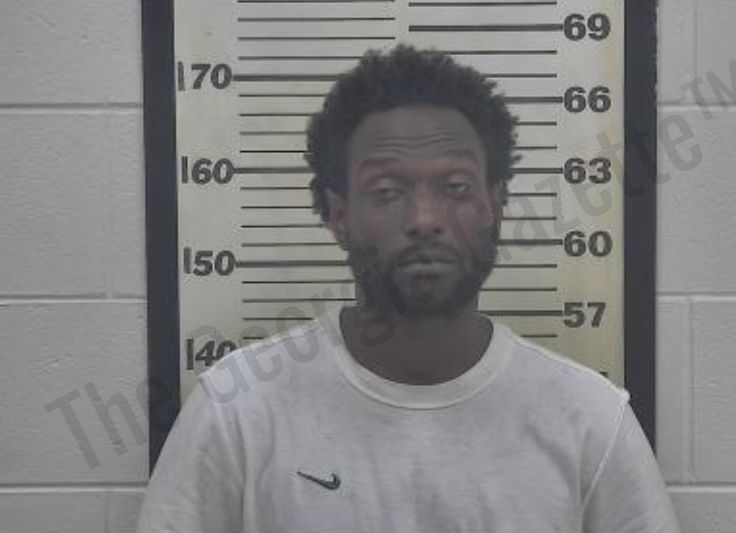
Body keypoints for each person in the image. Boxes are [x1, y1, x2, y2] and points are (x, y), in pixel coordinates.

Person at [136, 44, 681, 533]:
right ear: (338, 214)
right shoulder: (237, 411)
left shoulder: (590, 421)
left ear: (495, 205)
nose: (425, 219)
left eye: (456, 188)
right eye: (388, 190)